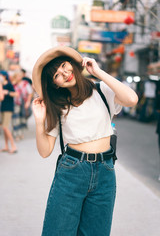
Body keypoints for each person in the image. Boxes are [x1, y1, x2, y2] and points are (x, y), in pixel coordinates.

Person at [32, 46, 138, 236]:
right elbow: (45, 150)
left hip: (105, 171)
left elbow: (131, 99)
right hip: (72, 171)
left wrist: (97, 72)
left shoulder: (102, 90)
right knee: (59, 231)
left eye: (64, 66)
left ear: (72, 64)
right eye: (57, 75)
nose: (64, 74)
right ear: (54, 84)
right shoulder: (58, 106)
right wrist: (40, 121)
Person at [0, 70, 18, 153]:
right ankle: (7, 146)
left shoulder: (9, 85)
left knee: (5, 127)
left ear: (4, 76)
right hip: (2, 108)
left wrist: (7, 92)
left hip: (8, 108)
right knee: (4, 128)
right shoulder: (1, 85)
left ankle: (13, 146)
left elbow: (16, 94)